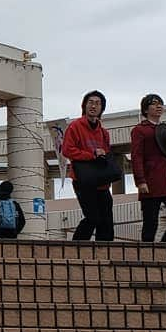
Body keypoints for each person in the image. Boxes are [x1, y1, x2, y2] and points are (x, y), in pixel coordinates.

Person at [130, 93, 166, 242]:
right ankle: (147, 254)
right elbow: (137, 156)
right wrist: (140, 181)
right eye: (154, 103)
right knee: (151, 222)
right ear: (145, 109)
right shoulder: (139, 130)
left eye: (160, 103)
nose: (159, 106)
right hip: (151, 179)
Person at [61, 89, 115, 242]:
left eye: (98, 103)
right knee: (92, 217)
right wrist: (91, 155)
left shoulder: (104, 132)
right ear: (84, 106)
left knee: (107, 222)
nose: (94, 106)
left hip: (101, 182)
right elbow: (67, 150)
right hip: (82, 179)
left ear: (102, 108)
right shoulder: (75, 127)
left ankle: (105, 255)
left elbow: (106, 153)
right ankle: (76, 248)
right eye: (90, 102)